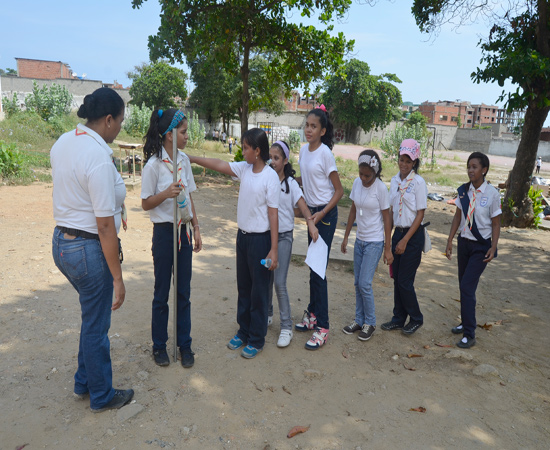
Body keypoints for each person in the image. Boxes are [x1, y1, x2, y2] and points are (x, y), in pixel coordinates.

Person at [51, 87, 134, 412]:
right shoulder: (97, 157)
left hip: (61, 242)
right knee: (98, 326)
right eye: (120, 122)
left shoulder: (64, 141)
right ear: (109, 119)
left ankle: (83, 381)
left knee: (91, 318)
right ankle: (101, 395)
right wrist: (118, 278)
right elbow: (104, 227)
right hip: (87, 249)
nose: (120, 129)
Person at [188, 128, 279, 359]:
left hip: (261, 240)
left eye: (246, 148)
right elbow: (219, 164)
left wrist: (274, 249)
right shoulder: (245, 169)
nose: (243, 151)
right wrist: (192, 158)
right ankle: (244, 331)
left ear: (257, 151)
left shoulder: (270, 177)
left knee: (259, 291)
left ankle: (257, 339)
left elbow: (273, 215)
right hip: (243, 238)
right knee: (244, 288)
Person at [141, 109, 202, 368]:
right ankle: (159, 346)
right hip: (165, 233)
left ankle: (184, 345)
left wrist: (196, 227)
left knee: (184, 292)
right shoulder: (153, 165)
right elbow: (145, 203)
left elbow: (189, 196)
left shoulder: (184, 161)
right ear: (169, 135)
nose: (187, 136)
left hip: (183, 232)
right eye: (184, 131)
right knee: (162, 292)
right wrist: (166, 193)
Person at [295, 105, 344, 350]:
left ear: (323, 131)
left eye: (314, 126)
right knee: (313, 268)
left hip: (325, 214)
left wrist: (321, 214)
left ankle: (323, 327)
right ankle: (313, 315)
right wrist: (290, 179)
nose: (309, 130)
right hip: (311, 214)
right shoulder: (304, 151)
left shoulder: (325, 153)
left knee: (318, 271)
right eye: (307, 125)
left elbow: (339, 190)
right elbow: (308, 179)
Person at [445, 152, 501, 348]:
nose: (470, 170)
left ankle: (470, 334)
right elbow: (458, 217)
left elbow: (495, 223)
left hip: (480, 247)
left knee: (467, 287)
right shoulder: (463, 192)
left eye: (475, 167)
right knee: (463, 285)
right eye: (469, 166)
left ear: (484, 170)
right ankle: (465, 322)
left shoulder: (492, 194)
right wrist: (450, 240)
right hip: (464, 244)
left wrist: (493, 247)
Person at [267, 140, 319, 347]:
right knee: (266, 279)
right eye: (270, 157)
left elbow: (303, 207)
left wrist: (311, 225)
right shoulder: (267, 179)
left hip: (284, 237)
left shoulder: (290, 184)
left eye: (276, 158)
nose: (272, 161)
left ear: (286, 160)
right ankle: (267, 313)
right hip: (265, 236)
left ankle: (286, 327)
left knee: (279, 282)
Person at [341, 150, 393, 341]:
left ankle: (370, 322)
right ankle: (359, 319)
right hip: (360, 240)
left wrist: (388, 248)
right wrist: (346, 236)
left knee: (364, 283)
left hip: (375, 241)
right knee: (357, 283)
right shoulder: (356, 183)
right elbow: (353, 210)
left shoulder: (381, 189)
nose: (363, 178)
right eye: (361, 174)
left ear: (376, 173)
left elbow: (387, 220)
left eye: (367, 175)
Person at [381, 139, 427, 335]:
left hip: (412, 235)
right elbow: (391, 212)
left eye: (408, 161)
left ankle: (416, 318)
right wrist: (389, 242)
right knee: (397, 278)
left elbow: (420, 214)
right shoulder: (394, 181)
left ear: (414, 163)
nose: (404, 164)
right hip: (398, 232)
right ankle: (398, 318)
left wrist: (405, 240)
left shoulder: (418, 182)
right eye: (401, 159)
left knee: (405, 281)